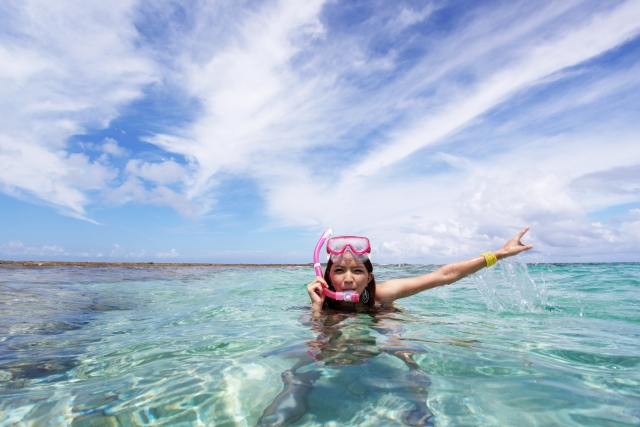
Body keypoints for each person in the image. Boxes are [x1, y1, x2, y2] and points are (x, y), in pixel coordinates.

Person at [307, 227, 533, 312]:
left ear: (369, 277)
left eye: (357, 271)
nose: (348, 279)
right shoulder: (322, 304)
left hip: (385, 323)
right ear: (326, 276)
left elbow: (443, 276)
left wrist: (499, 254)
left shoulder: (381, 294)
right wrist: (317, 309)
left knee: (399, 346)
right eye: (339, 271)